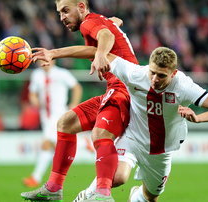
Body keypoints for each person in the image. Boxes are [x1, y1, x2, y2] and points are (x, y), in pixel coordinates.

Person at [31, 45, 208, 202]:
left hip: (161, 150)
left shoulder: (183, 85)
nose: (155, 79)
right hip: (132, 137)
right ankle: (87, 196)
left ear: (173, 74)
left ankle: (136, 196)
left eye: (162, 75)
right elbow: (97, 51)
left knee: (150, 196)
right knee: (117, 176)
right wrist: (54, 53)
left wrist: (199, 118)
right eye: (153, 72)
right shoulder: (136, 73)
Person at [21, 0, 138, 201]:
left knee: (100, 134)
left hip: (127, 89)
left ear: (82, 7)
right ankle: (53, 188)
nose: (62, 17)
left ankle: (102, 194)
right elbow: (101, 39)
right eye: (59, 13)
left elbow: (106, 35)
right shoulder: (95, 23)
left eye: (66, 11)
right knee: (66, 123)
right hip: (118, 89)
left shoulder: (88, 23)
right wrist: (110, 30)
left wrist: (101, 53)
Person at [23, 60, 82, 188]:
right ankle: (83, 144)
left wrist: (74, 103)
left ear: (53, 60)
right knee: (54, 147)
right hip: (45, 116)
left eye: (46, 60)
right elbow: (32, 93)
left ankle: (36, 177)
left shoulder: (62, 73)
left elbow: (76, 87)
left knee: (46, 144)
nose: (43, 63)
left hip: (59, 113)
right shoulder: (36, 75)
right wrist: (34, 100)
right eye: (41, 61)